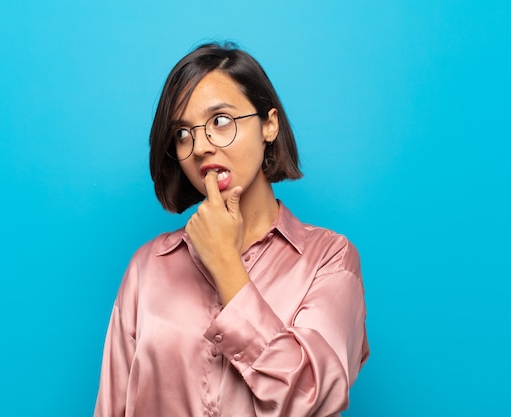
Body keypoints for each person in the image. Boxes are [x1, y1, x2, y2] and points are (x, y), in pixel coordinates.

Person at [93, 42, 369, 417]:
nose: (202, 146)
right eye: (183, 134)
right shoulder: (148, 267)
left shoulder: (330, 259)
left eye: (220, 121)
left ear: (268, 124)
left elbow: (311, 397)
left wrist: (225, 263)